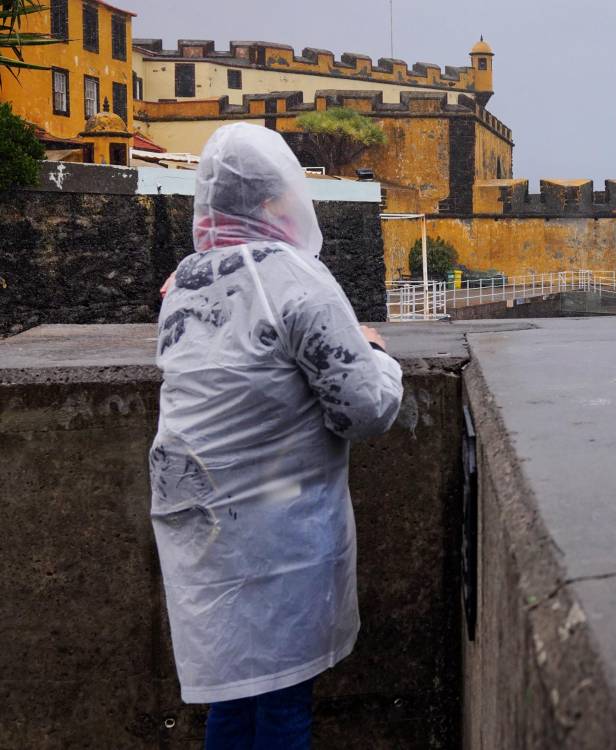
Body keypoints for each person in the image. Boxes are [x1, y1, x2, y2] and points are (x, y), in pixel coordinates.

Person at [149, 123, 404, 749]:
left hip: (196, 510)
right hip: (272, 520)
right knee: (285, 701)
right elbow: (364, 410)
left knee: (232, 699)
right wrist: (379, 356)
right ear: (270, 202)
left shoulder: (184, 280)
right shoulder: (297, 280)